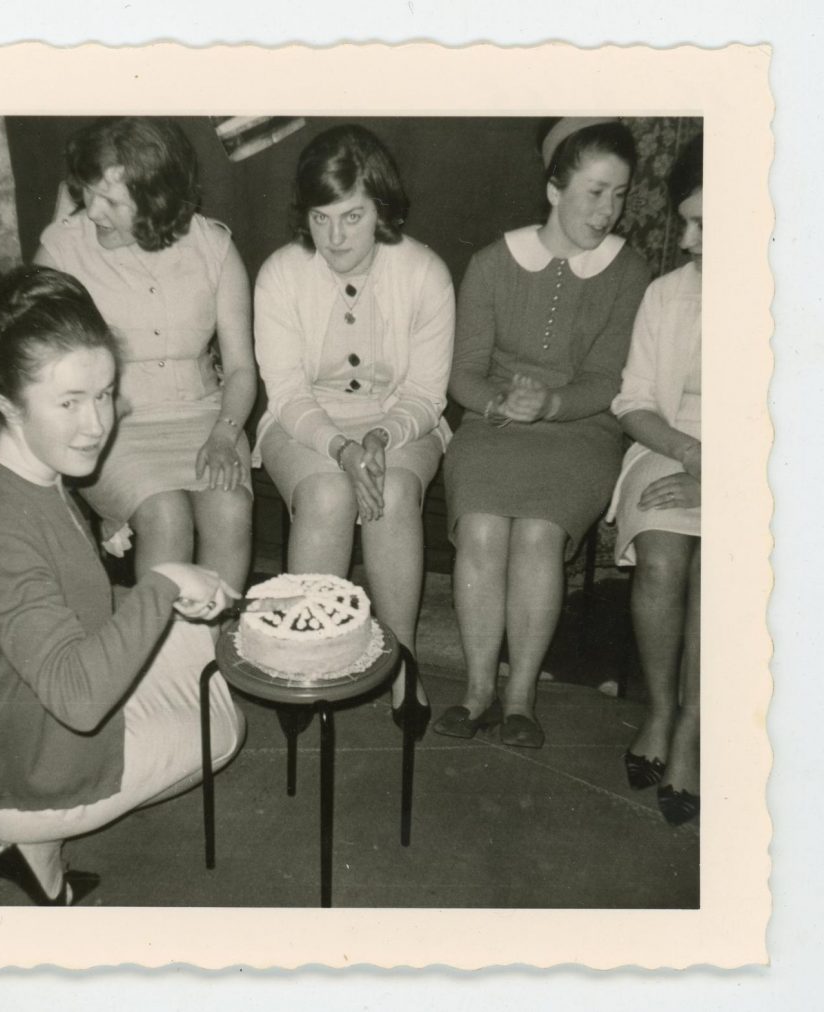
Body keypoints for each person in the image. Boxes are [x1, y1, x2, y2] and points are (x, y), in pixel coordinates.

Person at [0, 266, 244, 905]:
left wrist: (109, 547)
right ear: (8, 404)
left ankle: (32, 865)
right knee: (225, 723)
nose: (97, 423)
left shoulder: (7, 465)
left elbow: (48, 586)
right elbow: (77, 699)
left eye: (104, 393)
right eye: (69, 402)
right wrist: (162, 581)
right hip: (19, 770)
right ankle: (32, 839)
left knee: (207, 646)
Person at [437, 118, 650, 748]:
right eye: (594, 191)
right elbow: (463, 374)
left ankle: (522, 697)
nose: (608, 209)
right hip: (493, 424)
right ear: (555, 189)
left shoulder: (628, 271)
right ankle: (477, 692)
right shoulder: (492, 263)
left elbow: (610, 377)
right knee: (479, 526)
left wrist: (552, 403)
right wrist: (504, 401)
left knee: (536, 535)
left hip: (581, 432)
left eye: (619, 194)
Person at [253, 124, 455, 736]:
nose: (334, 236)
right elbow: (286, 393)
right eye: (320, 218)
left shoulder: (424, 273)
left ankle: (402, 664)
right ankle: (306, 660)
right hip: (305, 425)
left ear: (381, 209)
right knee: (326, 494)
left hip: (401, 421)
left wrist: (380, 440)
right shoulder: (281, 275)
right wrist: (341, 448)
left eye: (352, 216)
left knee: (392, 493)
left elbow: (425, 393)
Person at [35, 117, 256, 594]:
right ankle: (154, 660)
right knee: (165, 513)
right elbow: (37, 365)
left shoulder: (213, 246)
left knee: (230, 506)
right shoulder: (63, 250)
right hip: (112, 424)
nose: (92, 211)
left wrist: (224, 433)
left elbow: (240, 368)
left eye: (111, 200)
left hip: (206, 416)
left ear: (156, 197)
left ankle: (212, 653)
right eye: (87, 192)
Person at [608, 134, 703, 825]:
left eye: (707, 224)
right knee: (664, 558)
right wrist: (690, 454)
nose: (691, 240)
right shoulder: (669, 294)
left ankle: (694, 730)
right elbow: (633, 399)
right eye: (686, 222)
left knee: (724, 567)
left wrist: (731, 472)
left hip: (770, 461)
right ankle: (661, 709)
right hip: (670, 442)